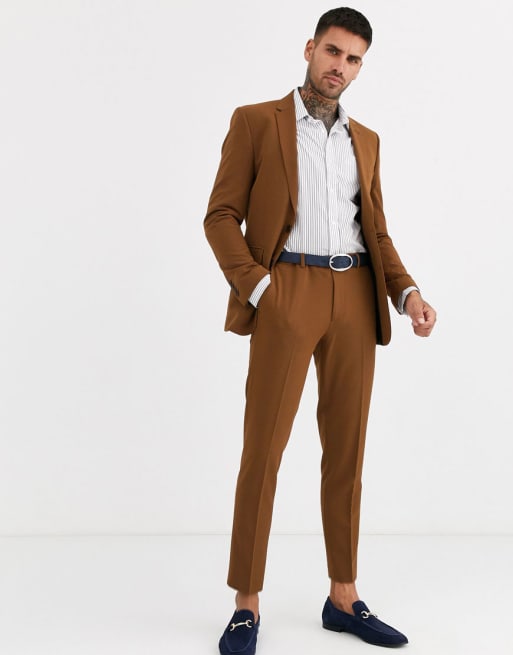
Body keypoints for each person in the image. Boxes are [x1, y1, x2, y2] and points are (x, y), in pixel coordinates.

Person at [204, 7, 436, 654]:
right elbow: (220, 215)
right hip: (287, 289)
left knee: (347, 452)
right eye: (333, 51)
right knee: (264, 449)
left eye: (353, 59)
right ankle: (246, 604)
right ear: (310, 49)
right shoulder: (256, 122)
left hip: (355, 294)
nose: (340, 66)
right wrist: (259, 289)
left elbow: (375, 230)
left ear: (361, 67)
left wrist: (407, 292)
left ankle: (343, 596)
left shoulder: (367, 139)